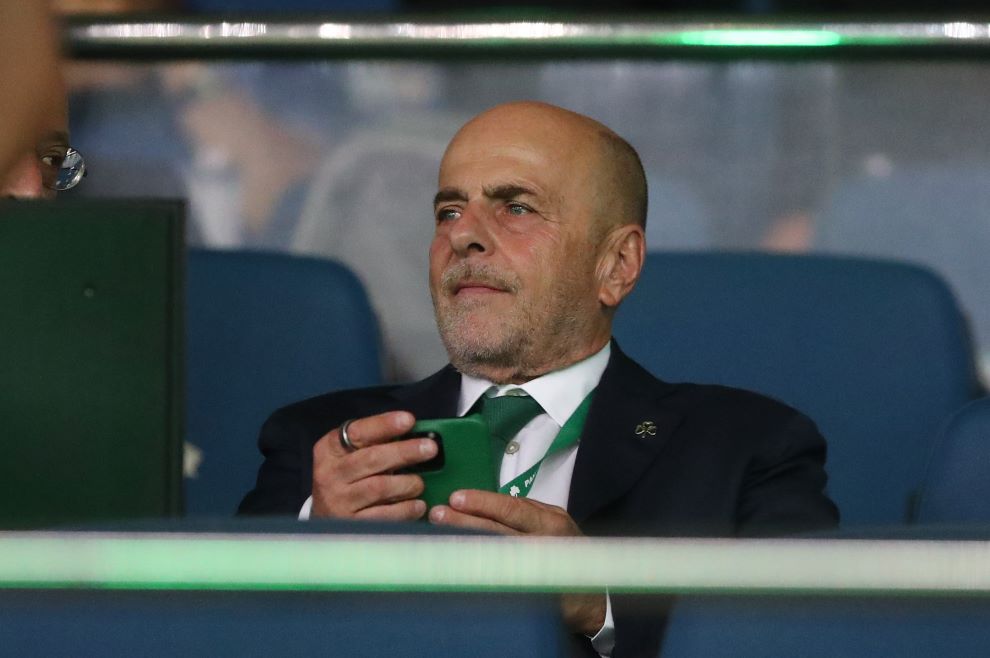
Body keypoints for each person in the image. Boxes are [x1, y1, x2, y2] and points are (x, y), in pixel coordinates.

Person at [239, 101, 839, 657]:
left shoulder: (747, 450)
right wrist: (310, 547)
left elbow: (794, 647)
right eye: (449, 211)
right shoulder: (321, 445)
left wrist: (599, 606)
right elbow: (216, 635)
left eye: (516, 207)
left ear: (616, 265)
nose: (462, 235)